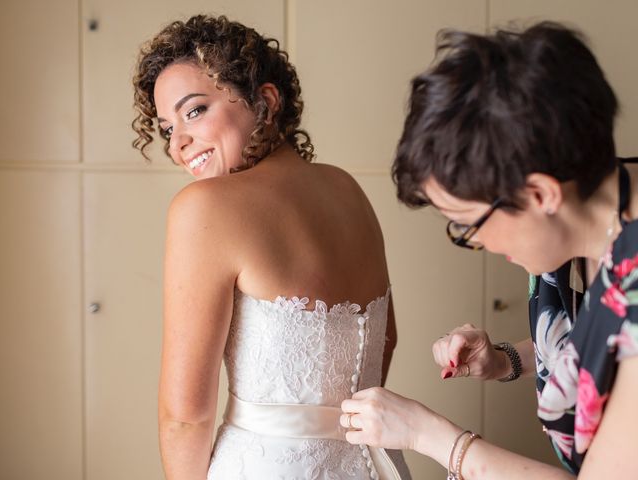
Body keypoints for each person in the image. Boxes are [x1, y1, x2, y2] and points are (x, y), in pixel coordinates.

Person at [339, 21, 638, 479]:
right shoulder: (601, 204)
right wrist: (505, 360)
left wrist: (430, 436)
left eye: (468, 225)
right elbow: (605, 338)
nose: (476, 243)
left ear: (540, 196)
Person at [131, 14, 411, 480]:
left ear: (264, 101)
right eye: (165, 128)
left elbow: (185, 417)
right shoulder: (347, 190)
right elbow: (387, 341)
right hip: (376, 465)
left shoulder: (204, 208)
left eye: (194, 110)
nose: (178, 143)